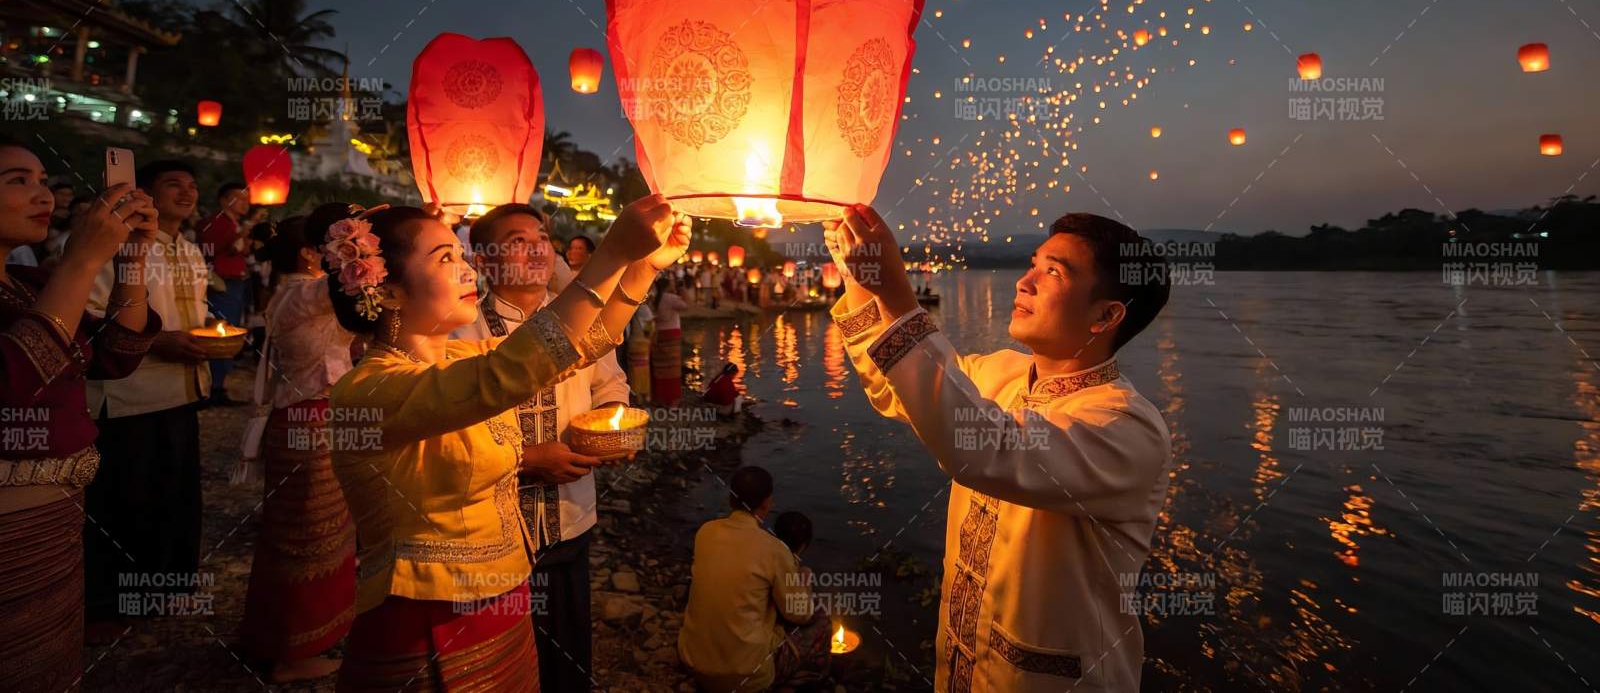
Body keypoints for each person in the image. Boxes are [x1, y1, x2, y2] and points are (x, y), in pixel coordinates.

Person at [326, 193, 688, 691]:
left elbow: (581, 344)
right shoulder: (367, 390)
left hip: (504, 600)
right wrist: (609, 255)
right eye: (445, 258)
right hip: (427, 616)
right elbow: (507, 374)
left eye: (460, 253)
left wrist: (640, 266)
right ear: (388, 292)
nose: (466, 269)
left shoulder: (457, 357)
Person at [824, 206, 1172, 692]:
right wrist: (857, 275)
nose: (1024, 282)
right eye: (1033, 263)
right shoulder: (1001, 372)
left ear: (1106, 315)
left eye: (1053, 272)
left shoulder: (1127, 427)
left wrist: (901, 298)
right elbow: (897, 387)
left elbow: (983, 449)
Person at [0, 141, 160, 692]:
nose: (44, 193)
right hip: (7, 528)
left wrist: (130, 257)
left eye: (44, 178)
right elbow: (21, 374)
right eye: (18, 180)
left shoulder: (32, 286)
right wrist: (82, 259)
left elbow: (117, 351)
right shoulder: (55, 280)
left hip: (57, 520)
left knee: (50, 658)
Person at [454, 202, 631, 693]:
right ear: (485, 260)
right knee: (497, 656)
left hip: (569, 513)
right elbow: (445, 435)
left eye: (541, 238)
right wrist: (528, 459)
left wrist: (612, 426)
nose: (536, 249)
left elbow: (610, 383)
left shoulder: (579, 323)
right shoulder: (460, 332)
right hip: (490, 526)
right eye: (517, 241)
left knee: (567, 645)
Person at [82, 159, 217, 640]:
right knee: (124, 499)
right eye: (173, 184)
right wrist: (160, 341)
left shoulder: (191, 250)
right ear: (145, 193)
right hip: (129, 394)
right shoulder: (117, 244)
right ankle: (104, 606)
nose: (187, 192)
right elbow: (89, 312)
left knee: (174, 496)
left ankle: (165, 588)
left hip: (182, 389)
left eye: (193, 185)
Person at [237, 211, 359, 683]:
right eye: (325, 245)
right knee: (313, 537)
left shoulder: (291, 292)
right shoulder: (306, 292)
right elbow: (352, 280)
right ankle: (294, 651)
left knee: (305, 535)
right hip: (312, 418)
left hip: (310, 417)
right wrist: (358, 239)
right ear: (310, 252)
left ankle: (276, 637)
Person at [678, 466, 830, 692]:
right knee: (821, 621)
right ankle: (803, 682)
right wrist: (804, 582)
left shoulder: (705, 532)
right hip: (745, 676)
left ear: (731, 499)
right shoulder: (774, 549)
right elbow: (799, 614)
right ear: (767, 503)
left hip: (692, 662)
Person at [200, 181, 252, 404]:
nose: (244, 203)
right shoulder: (215, 223)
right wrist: (244, 232)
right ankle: (212, 386)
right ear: (223, 200)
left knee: (230, 331)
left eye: (246, 199)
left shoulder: (234, 224)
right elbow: (223, 249)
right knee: (219, 332)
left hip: (236, 283)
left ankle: (219, 384)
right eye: (238, 198)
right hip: (221, 284)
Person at [650, 278, 689, 406]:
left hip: (658, 334)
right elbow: (687, 305)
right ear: (667, 286)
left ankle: (660, 398)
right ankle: (672, 401)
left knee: (660, 368)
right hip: (671, 335)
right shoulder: (671, 298)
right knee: (672, 370)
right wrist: (682, 289)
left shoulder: (655, 298)